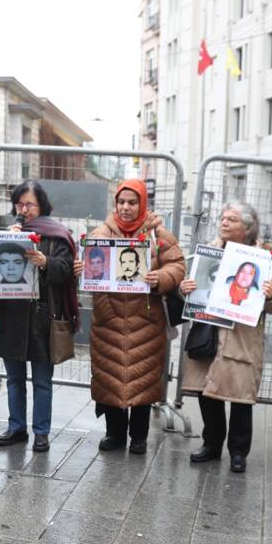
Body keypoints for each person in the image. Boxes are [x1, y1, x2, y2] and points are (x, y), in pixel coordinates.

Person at [76, 178, 185, 455]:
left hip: (145, 319)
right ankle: (114, 433)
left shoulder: (158, 235)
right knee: (109, 378)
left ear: (142, 204)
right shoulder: (101, 233)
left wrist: (159, 277)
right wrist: (81, 269)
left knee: (143, 379)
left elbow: (177, 266)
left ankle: (139, 436)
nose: (126, 207)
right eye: (121, 202)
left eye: (132, 202)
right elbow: (90, 266)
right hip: (108, 319)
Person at [180, 202, 272, 472]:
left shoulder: (264, 259)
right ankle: (211, 445)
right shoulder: (210, 252)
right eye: (223, 218)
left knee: (240, 399)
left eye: (232, 219)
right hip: (209, 333)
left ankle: (239, 452)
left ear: (247, 227)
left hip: (242, 339)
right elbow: (193, 289)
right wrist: (185, 288)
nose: (224, 223)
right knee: (207, 393)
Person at [0, 179, 79, 452]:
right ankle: (16, 426)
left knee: (42, 380)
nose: (24, 209)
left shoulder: (57, 234)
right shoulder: (10, 232)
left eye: (29, 204)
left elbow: (67, 269)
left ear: (41, 205)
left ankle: (41, 431)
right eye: (20, 204)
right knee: (14, 378)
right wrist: (7, 240)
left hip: (43, 315)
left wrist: (47, 263)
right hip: (12, 314)